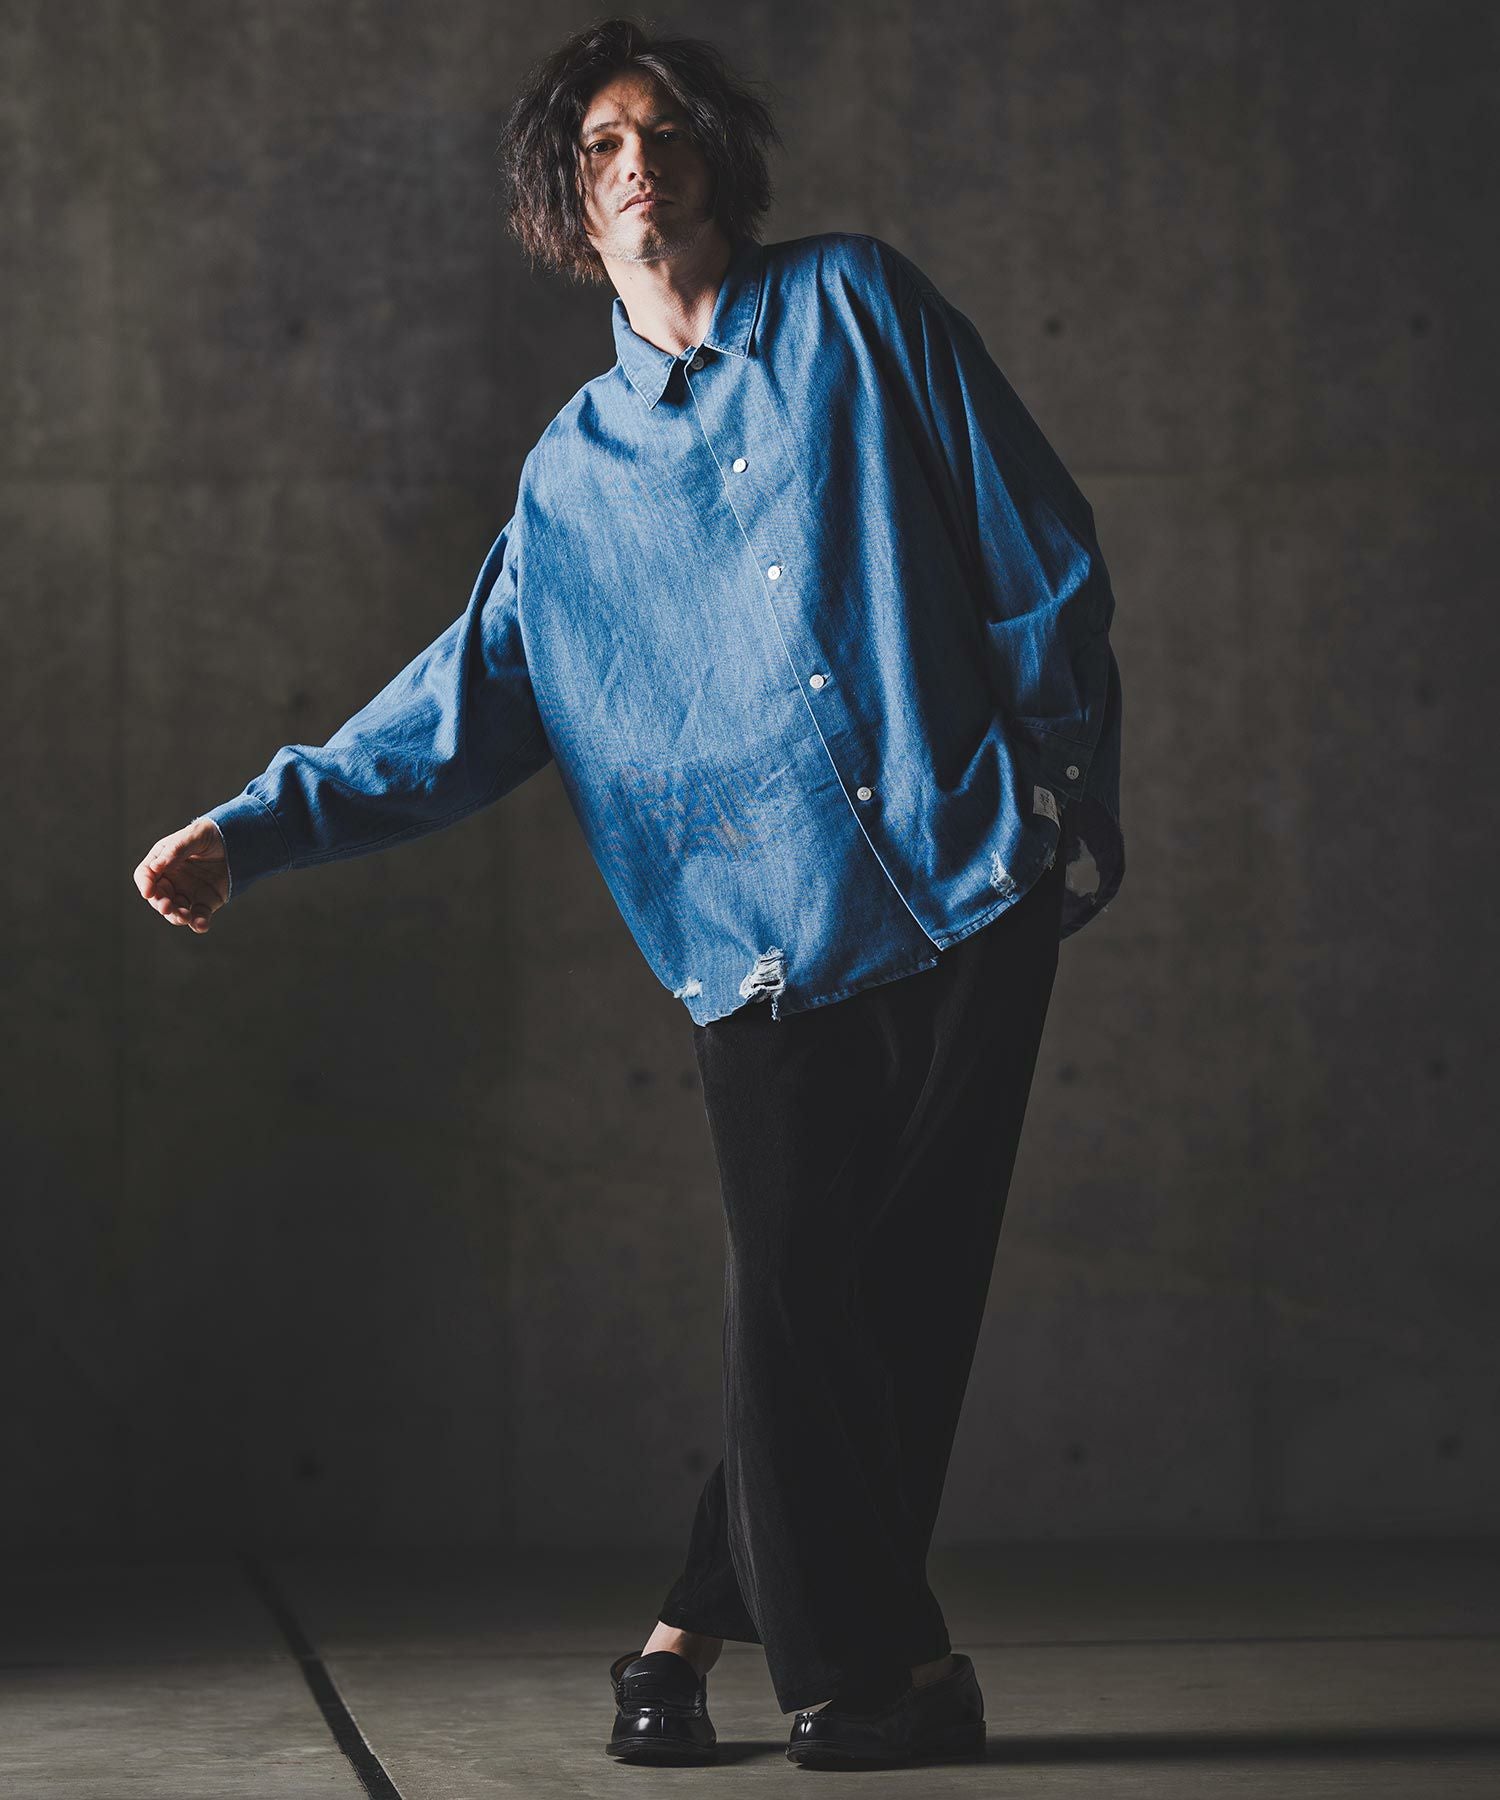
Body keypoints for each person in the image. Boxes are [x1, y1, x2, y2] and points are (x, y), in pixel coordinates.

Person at [133, 16, 1124, 1772]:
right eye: (599, 147)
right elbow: (457, 710)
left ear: (714, 155)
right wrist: (255, 827)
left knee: (892, 1301)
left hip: (969, 881)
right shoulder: (570, 482)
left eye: (660, 130)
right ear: (566, 201)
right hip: (753, 948)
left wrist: (1054, 789)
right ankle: (861, 1670)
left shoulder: (857, 307)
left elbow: (1032, 539)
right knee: (806, 1312)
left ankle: (803, 1670)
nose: (637, 162)